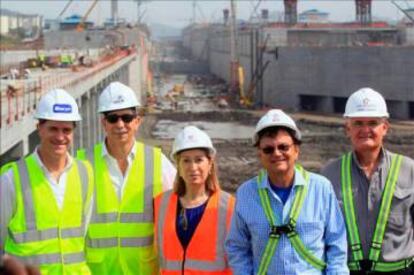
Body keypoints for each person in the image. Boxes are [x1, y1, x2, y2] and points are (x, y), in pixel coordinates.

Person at [225, 109, 348, 275]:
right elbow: (237, 246)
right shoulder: (247, 193)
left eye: (283, 147)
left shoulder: (321, 189)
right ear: (259, 154)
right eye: (268, 149)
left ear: (296, 150)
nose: (276, 153)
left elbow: (337, 244)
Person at [78, 82, 176, 275]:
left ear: (137, 121)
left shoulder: (157, 162)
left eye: (127, 117)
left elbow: (181, 209)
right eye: (113, 118)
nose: (120, 124)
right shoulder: (82, 163)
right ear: (103, 123)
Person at [0, 89, 94, 274]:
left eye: (66, 130)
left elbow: (81, 233)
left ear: (73, 131)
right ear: (39, 129)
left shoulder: (85, 173)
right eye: (53, 128)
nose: (60, 137)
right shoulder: (12, 179)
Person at [321, 87, 414, 275]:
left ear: (385, 128)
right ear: (348, 129)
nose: (365, 130)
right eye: (358, 123)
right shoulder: (328, 174)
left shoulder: (409, 169)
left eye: (373, 123)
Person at [154, 126, 234, 274]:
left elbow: (239, 260)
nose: (193, 167)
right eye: (186, 161)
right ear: (178, 165)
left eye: (199, 160)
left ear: (210, 164)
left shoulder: (229, 207)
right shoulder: (161, 204)